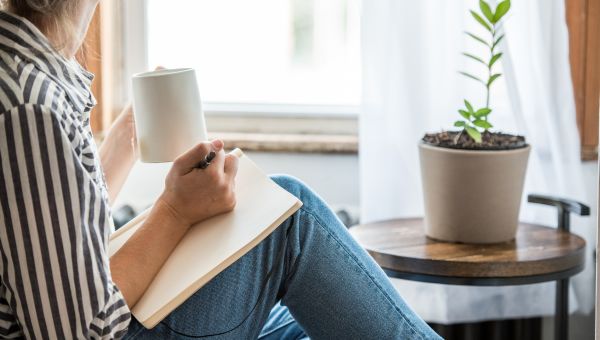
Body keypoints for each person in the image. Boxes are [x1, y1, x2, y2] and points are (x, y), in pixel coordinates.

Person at [0, 0, 441, 339]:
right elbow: (80, 330)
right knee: (292, 215)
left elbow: (60, 239)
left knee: (298, 322)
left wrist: (127, 135)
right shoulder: (30, 105)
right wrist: (174, 211)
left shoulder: (27, 75)